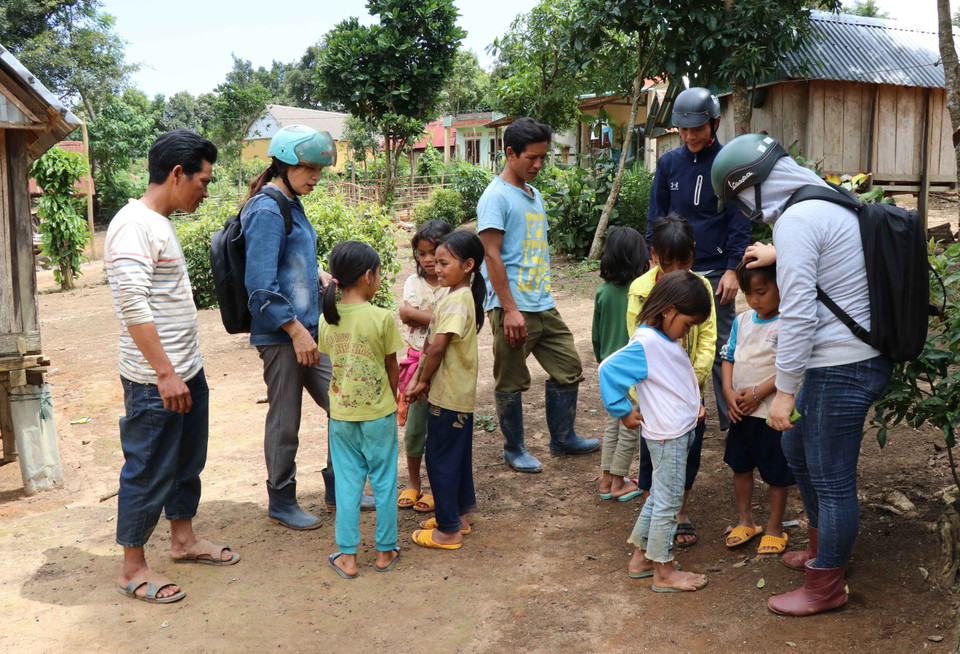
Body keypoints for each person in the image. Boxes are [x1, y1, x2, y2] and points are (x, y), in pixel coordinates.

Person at [712, 133, 893, 616]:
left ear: (751, 187)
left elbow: (798, 317)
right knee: (796, 450)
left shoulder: (796, 219)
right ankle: (821, 551)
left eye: (739, 200)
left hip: (842, 361)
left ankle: (826, 584)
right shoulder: (819, 194)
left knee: (831, 476)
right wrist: (777, 253)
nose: (744, 210)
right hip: (842, 357)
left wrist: (785, 393)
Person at [106, 129, 238, 604]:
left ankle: (182, 541)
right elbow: (133, 306)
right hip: (154, 379)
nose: (206, 189)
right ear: (177, 173)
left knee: (186, 462)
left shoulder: (160, 222)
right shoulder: (133, 225)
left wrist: (181, 371)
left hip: (185, 371)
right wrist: (164, 373)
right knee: (147, 470)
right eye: (203, 180)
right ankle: (132, 567)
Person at [242, 124, 371, 530]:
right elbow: (260, 286)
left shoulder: (291, 203)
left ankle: (339, 488)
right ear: (285, 164)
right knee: (285, 420)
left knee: (345, 404)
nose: (316, 176)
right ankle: (281, 500)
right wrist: (295, 331)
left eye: (320, 169)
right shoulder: (266, 208)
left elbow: (288, 261)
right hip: (282, 335)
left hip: (308, 330)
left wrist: (317, 275)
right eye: (310, 168)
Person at [478, 116, 599, 473]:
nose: (538, 164)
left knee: (568, 367)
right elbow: (491, 254)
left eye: (543, 157)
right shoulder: (495, 197)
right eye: (532, 157)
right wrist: (510, 310)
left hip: (542, 303)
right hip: (512, 307)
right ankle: (514, 448)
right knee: (511, 380)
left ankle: (562, 439)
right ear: (510, 153)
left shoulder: (534, 195)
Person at [599, 271, 713, 593]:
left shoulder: (664, 338)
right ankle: (663, 571)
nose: (687, 331)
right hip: (669, 436)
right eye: (688, 324)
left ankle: (642, 559)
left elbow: (673, 381)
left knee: (660, 498)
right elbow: (608, 370)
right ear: (668, 309)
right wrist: (623, 411)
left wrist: (695, 406)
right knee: (668, 502)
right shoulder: (647, 343)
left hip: (676, 431)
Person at [646, 87, 750, 434]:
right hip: (673, 272)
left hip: (717, 270)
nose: (690, 135)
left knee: (721, 348)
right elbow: (656, 217)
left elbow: (739, 219)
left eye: (698, 128)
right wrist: (654, 261)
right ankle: (677, 417)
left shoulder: (729, 166)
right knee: (668, 342)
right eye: (683, 128)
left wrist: (733, 269)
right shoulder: (668, 163)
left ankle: (730, 424)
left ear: (715, 124)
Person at [626, 214, 716, 546]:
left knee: (688, 457)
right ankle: (656, 519)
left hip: (692, 396)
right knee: (654, 460)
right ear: (654, 255)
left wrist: (692, 389)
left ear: (693, 252)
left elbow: (708, 340)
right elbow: (635, 350)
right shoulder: (640, 290)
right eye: (668, 262)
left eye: (685, 261)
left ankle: (677, 513)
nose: (677, 270)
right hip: (655, 399)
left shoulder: (701, 286)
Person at [318, 241, 404, 578]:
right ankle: (385, 551)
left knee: (348, 485)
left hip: (341, 416)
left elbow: (336, 363)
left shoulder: (328, 321)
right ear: (369, 276)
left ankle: (348, 557)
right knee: (384, 482)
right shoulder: (381, 318)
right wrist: (392, 400)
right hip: (378, 415)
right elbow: (392, 367)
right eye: (379, 272)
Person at [406, 230, 485, 549]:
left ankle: (448, 531)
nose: (436, 268)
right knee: (457, 458)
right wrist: (418, 377)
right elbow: (430, 342)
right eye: (434, 262)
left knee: (440, 459)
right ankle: (458, 517)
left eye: (443, 262)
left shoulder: (457, 300)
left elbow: (438, 347)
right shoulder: (453, 295)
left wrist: (422, 380)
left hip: (449, 396)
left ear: (468, 265)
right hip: (455, 395)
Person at [719, 258, 795, 555]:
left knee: (776, 472)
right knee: (740, 466)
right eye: (749, 294)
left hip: (771, 413)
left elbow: (790, 366)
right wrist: (728, 391)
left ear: (781, 287)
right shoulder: (742, 321)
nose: (754, 300)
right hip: (741, 411)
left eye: (762, 292)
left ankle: (775, 527)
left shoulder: (788, 322)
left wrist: (757, 393)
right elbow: (729, 356)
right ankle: (746, 520)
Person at [396, 219, 453, 513]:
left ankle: (434, 487)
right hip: (417, 363)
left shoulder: (454, 285)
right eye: (422, 254)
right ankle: (415, 483)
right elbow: (405, 315)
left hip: (446, 366)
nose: (428, 260)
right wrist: (434, 317)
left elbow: (417, 315)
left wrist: (420, 314)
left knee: (440, 429)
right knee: (416, 430)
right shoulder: (414, 283)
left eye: (434, 252)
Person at [592, 227, 649, 501]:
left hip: (609, 368)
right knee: (631, 423)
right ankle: (619, 482)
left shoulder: (602, 292)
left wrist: (602, 361)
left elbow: (595, 335)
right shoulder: (639, 291)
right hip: (632, 370)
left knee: (613, 421)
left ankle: (606, 481)